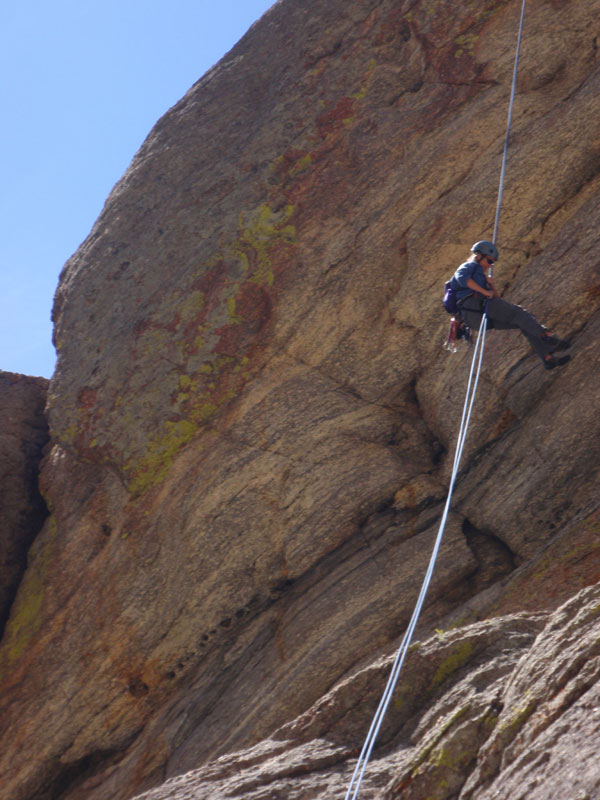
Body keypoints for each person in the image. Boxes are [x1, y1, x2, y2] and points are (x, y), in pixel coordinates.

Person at [451, 241, 571, 369]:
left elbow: (496, 298)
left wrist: (490, 285)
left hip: (476, 316)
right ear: (479, 255)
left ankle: (547, 358)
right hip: (474, 307)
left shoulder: (479, 275)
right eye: (489, 261)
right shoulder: (469, 266)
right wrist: (484, 291)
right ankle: (546, 336)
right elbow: (463, 279)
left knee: (524, 322)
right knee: (519, 313)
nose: (489, 265)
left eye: (492, 263)